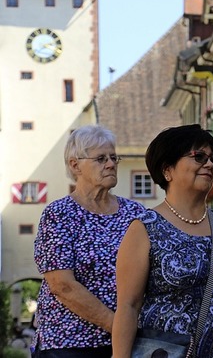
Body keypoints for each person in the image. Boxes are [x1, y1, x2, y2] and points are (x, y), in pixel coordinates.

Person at [112, 124, 213, 357]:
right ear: (167, 170)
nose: (209, 165)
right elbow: (128, 306)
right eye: (199, 156)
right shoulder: (145, 228)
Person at [32, 125, 146, 357]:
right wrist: (119, 328)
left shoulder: (135, 213)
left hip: (125, 343)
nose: (111, 164)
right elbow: (62, 285)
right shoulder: (59, 214)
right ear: (75, 165)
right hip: (68, 343)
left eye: (114, 157)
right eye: (101, 158)